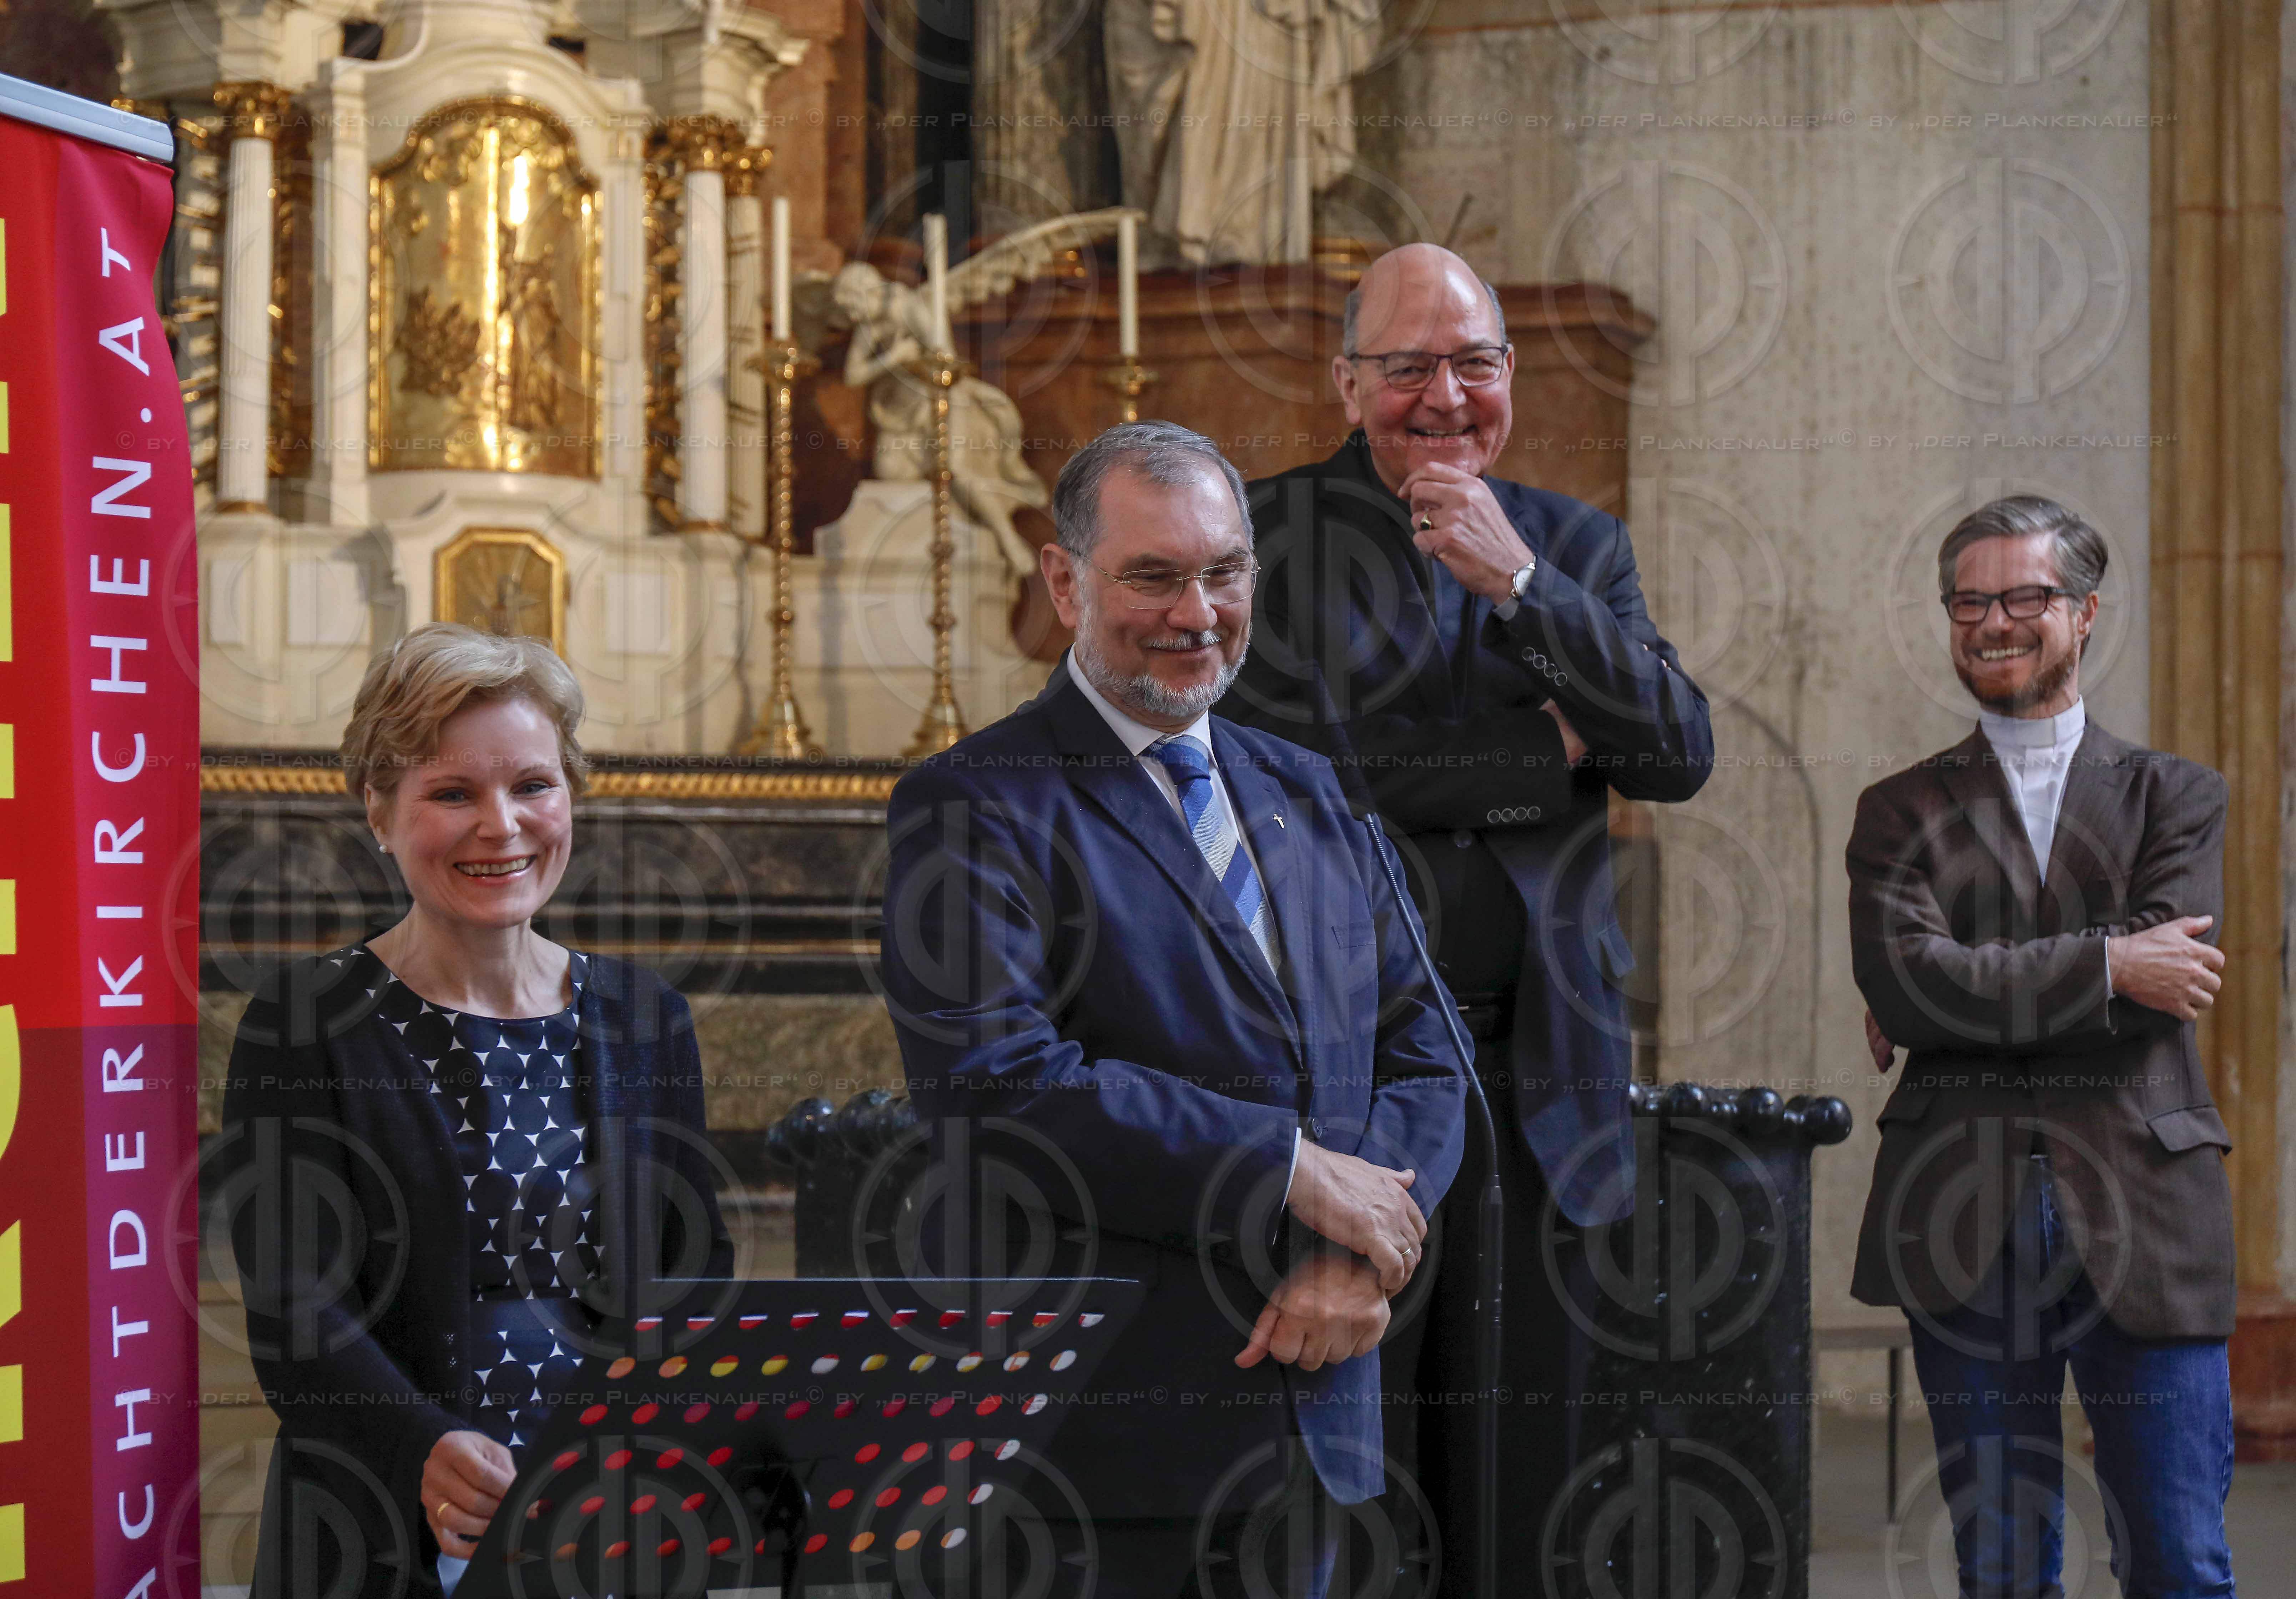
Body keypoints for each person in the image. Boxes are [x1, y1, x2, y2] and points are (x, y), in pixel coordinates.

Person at [877, 420, 1469, 1598]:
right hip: (1106, 1449)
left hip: (1324, 1413)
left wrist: (1356, 1261)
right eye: (1152, 576)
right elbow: (998, 1086)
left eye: (1225, 572)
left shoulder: (1308, 791)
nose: (1196, 611)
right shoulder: (972, 805)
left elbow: (1429, 1056)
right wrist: (1289, 1169)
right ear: (1064, 579)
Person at [1216, 241, 1713, 1566]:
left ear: (1510, 376)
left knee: (1521, 1490)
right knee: (1335, 1485)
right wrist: (1541, 753)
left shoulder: (1573, 546)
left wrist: (1524, 590)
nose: (1446, 397)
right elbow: (1297, 781)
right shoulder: (1259, 539)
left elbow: (1673, 751)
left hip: (1542, 1075)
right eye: (1408, 368)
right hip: (1339, 1088)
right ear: (1346, 381)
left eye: (1476, 364)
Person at [217, 624, 733, 1599]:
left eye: (533, 785)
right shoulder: (306, 1023)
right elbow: (296, 1311)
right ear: (378, 809)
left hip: (613, 1525)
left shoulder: (645, 1018)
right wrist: (426, 1450)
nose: (502, 826)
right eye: (452, 793)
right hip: (382, 1525)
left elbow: (695, 1274)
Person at [1849, 496, 2236, 1597]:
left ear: (2084, 613)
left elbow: (2167, 1000)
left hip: (2147, 1213)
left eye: (2025, 597)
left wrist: (1964, 984)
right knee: (2003, 1569)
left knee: (2179, 1560)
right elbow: (1906, 988)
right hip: (1959, 1213)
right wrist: (2112, 964)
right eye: (1969, 602)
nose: (1993, 622)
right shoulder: (1895, 811)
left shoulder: (2178, 797)